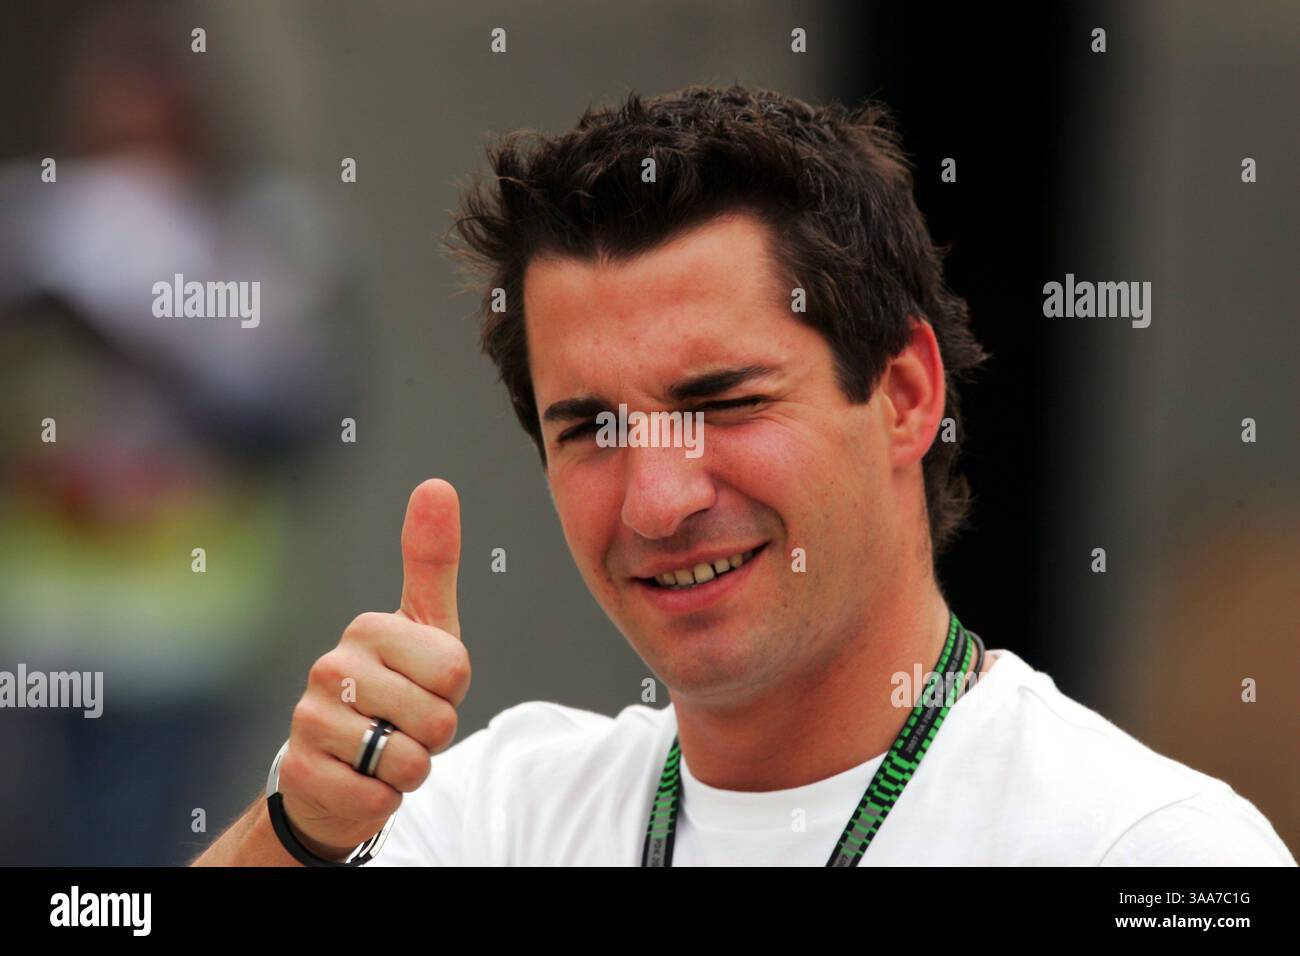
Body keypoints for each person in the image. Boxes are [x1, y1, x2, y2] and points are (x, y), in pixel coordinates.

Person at [193, 85, 1295, 866]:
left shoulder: (1140, 847)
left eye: (723, 401)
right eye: (591, 428)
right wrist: (296, 832)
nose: (659, 500)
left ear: (905, 393)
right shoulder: (492, 810)